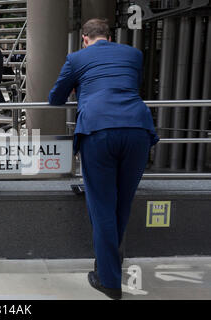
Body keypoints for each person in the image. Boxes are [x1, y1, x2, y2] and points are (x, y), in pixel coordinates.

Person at [48, 19, 159, 300]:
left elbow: (55, 99)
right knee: (122, 203)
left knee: (101, 207)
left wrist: (79, 88)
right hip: (137, 129)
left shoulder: (75, 58)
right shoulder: (133, 54)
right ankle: (109, 262)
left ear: (84, 38)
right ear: (108, 37)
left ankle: (108, 280)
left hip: (98, 130)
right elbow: (124, 83)